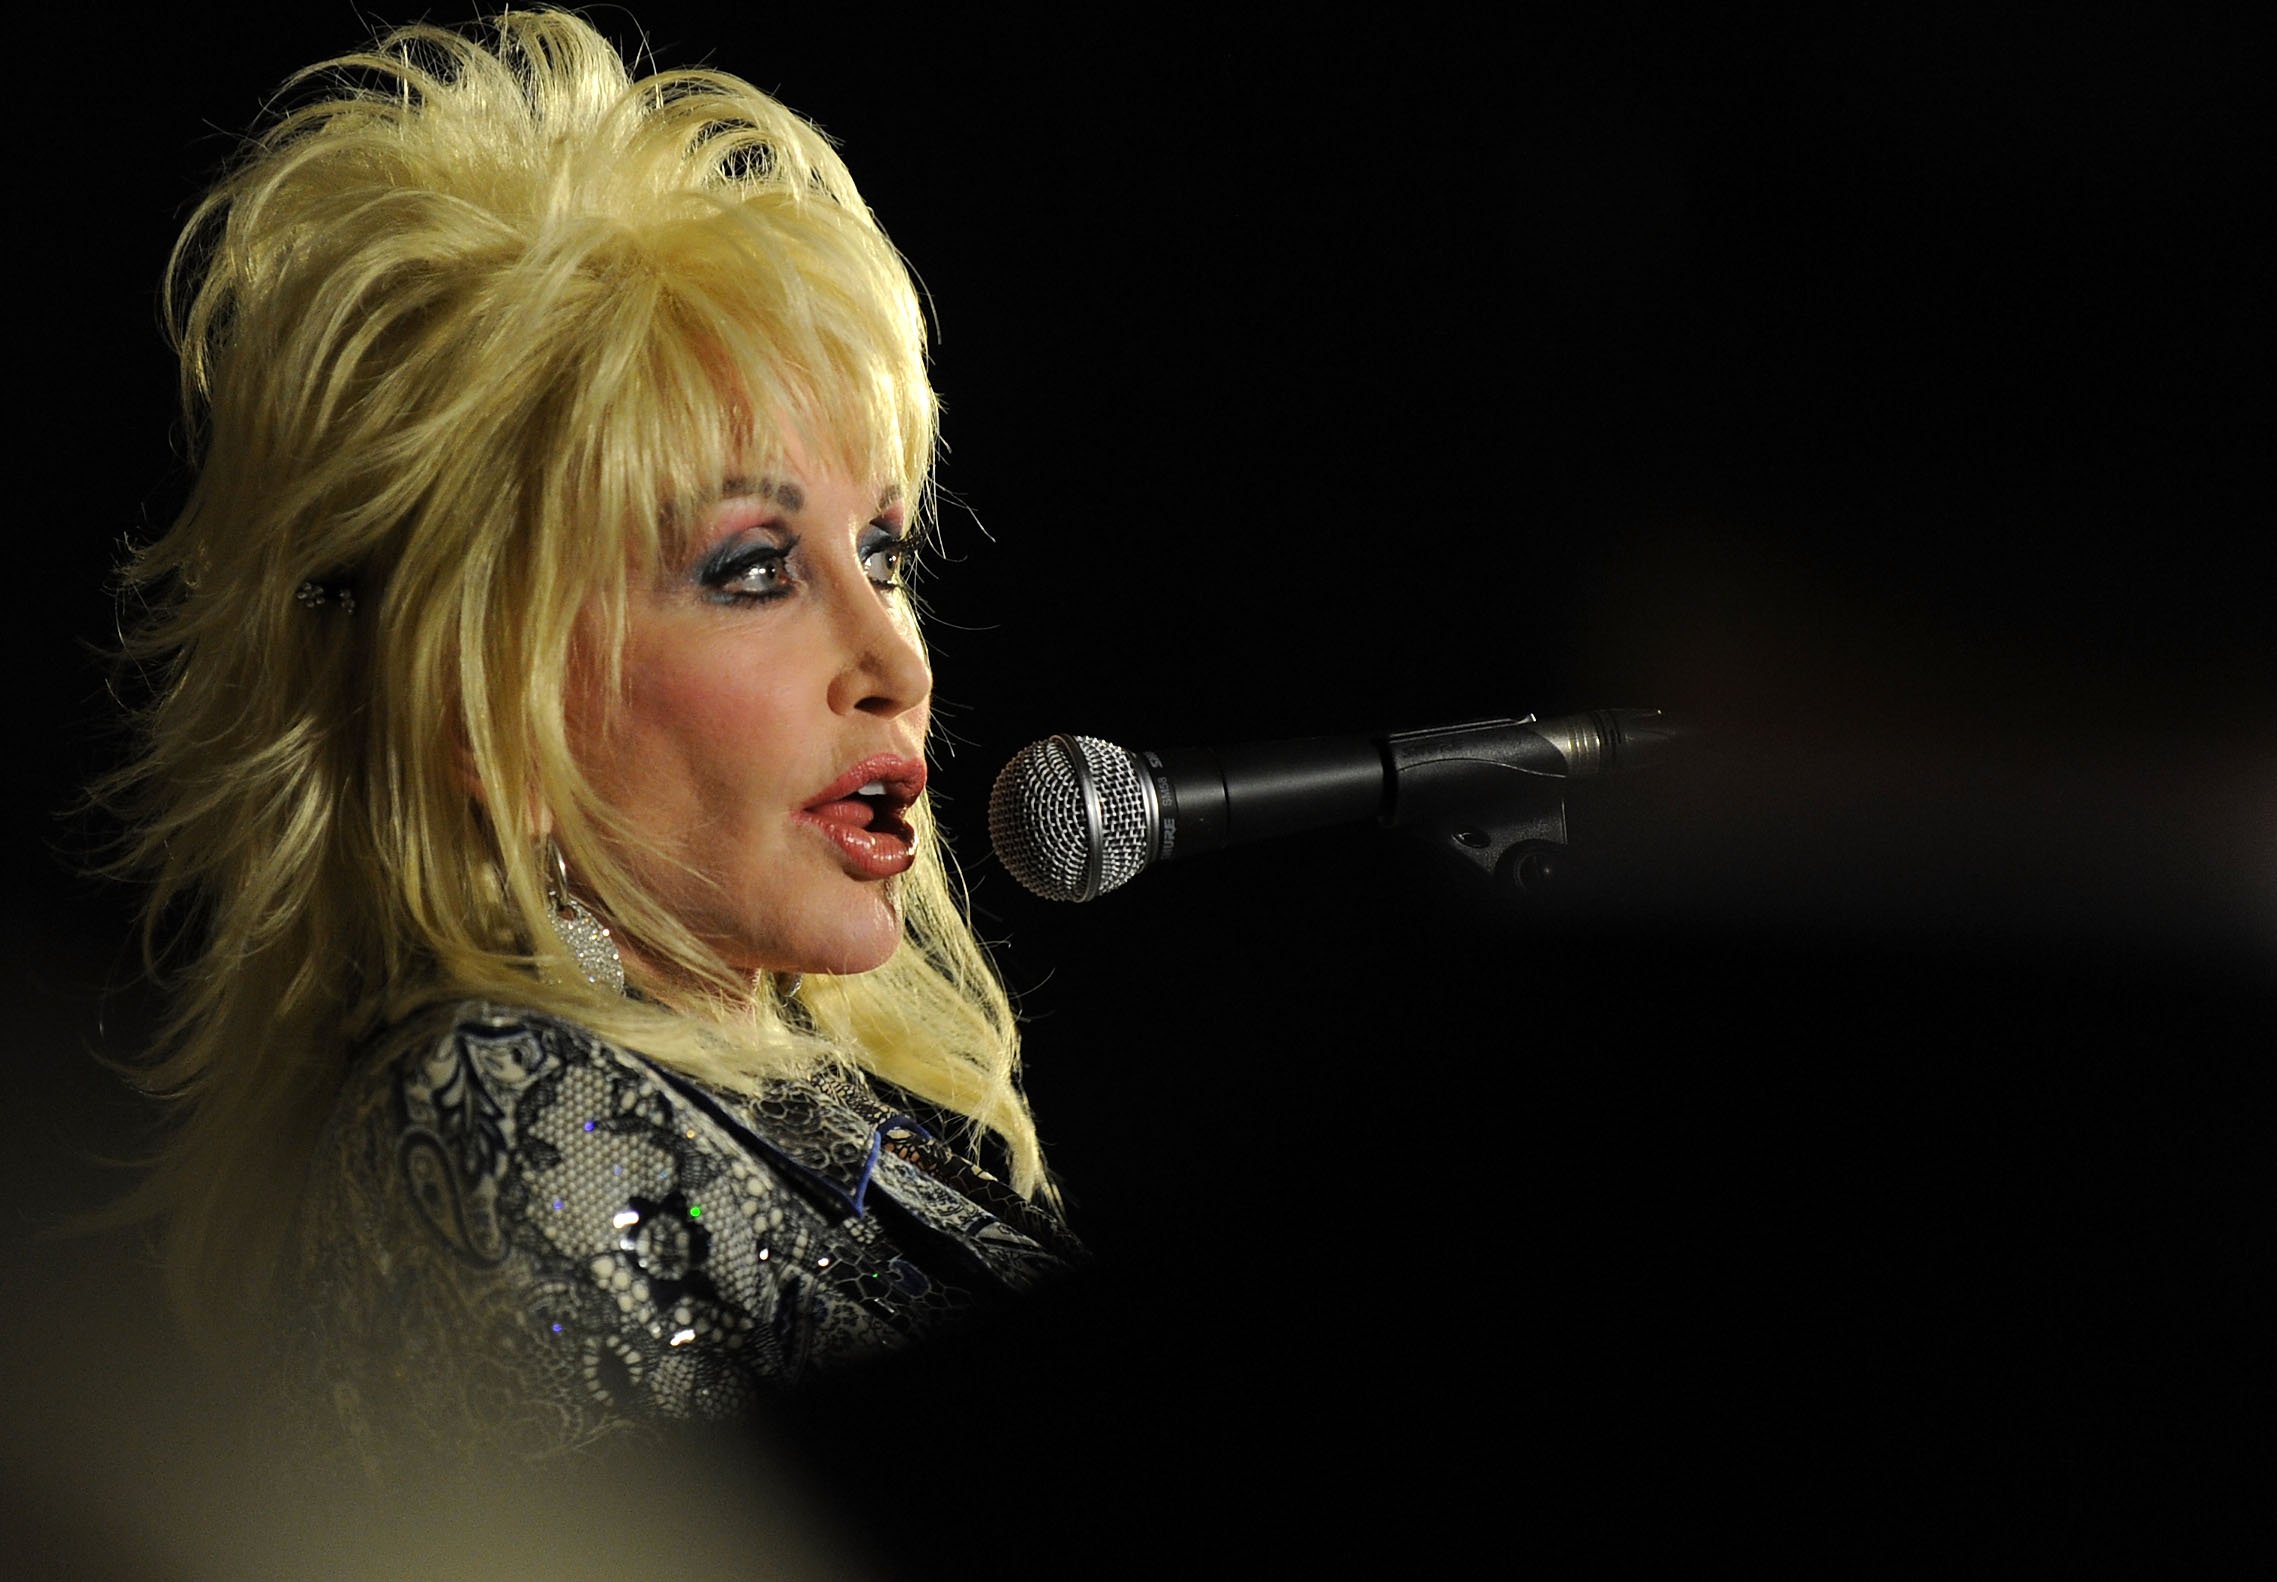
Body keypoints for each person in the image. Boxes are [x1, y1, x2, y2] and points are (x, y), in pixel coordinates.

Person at [102, 9, 1078, 1466]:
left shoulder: (780, 1117)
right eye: (754, 569)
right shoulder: (507, 1114)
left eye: (880, 552)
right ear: (482, 708)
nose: (895, 663)